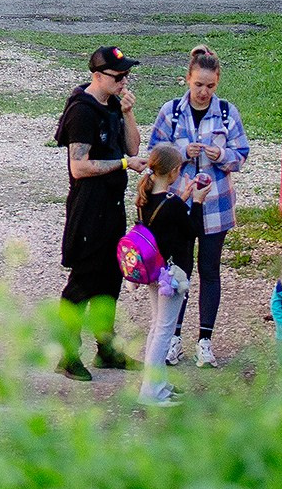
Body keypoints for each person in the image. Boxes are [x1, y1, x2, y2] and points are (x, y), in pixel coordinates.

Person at [145, 46, 250, 368]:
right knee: (179, 271)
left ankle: (205, 339)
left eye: (210, 86)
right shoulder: (171, 111)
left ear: (217, 84)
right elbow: (154, 153)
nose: (204, 92)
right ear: (187, 80)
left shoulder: (228, 113)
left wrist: (223, 157)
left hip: (215, 206)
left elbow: (241, 154)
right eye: (198, 85)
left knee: (209, 270)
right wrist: (181, 151)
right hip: (178, 207)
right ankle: (173, 336)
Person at [55, 46, 145, 380]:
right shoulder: (82, 111)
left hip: (112, 207)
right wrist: (123, 164)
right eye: (118, 77)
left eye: (126, 77)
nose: (124, 82)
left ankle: (106, 349)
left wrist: (128, 114)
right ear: (98, 75)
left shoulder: (111, 108)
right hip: (89, 208)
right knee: (82, 283)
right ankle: (67, 353)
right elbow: (78, 167)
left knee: (110, 281)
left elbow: (134, 149)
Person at [134, 144, 207, 404]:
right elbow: (192, 231)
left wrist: (184, 199)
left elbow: (165, 222)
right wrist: (197, 202)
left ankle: (158, 384)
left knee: (157, 327)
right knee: (165, 331)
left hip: (154, 271)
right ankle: (151, 392)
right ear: (174, 171)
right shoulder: (172, 204)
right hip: (173, 275)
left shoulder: (145, 199)